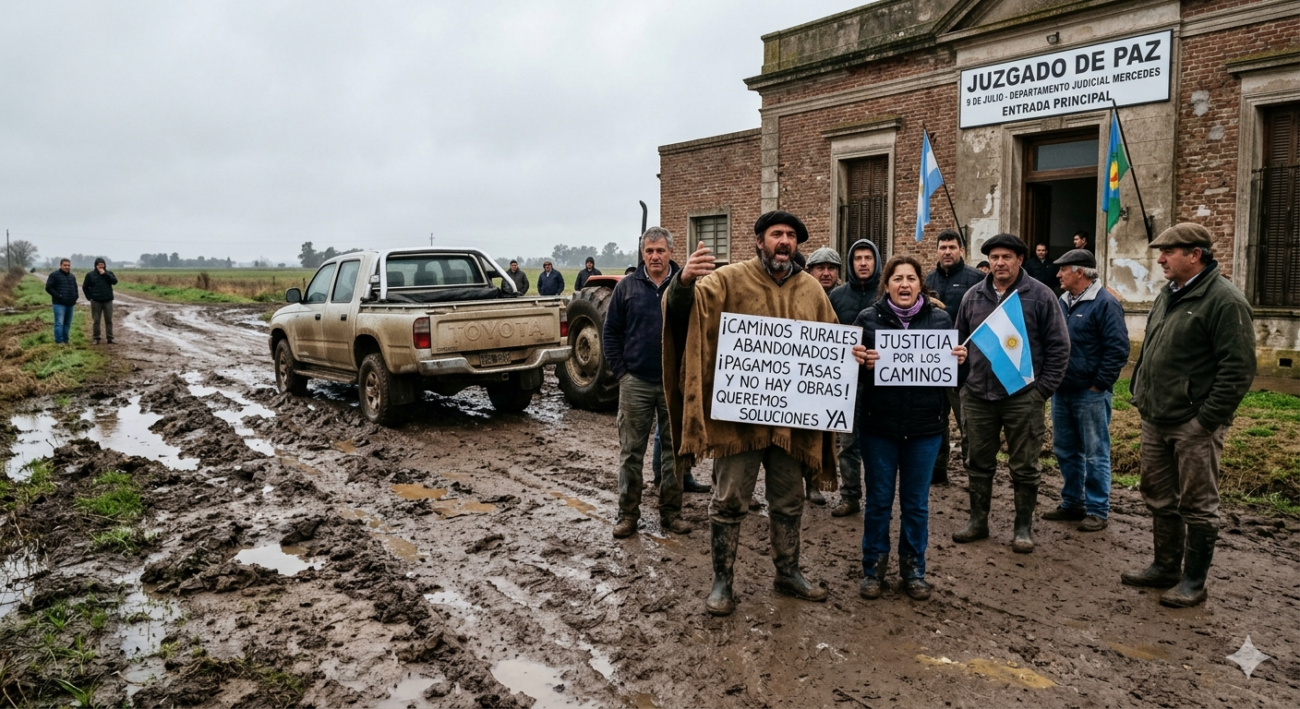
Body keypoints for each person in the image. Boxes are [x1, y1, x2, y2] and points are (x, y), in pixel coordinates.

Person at [664, 210, 837, 616]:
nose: (784, 241)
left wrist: (853, 357)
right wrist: (683, 282)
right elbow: (686, 312)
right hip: (738, 422)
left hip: (790, 424)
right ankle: (722, 581)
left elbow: (831, 342)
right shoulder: (729, 279)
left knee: (789, 500)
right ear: (759, 241)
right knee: (728, 500)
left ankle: (787, 571)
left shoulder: (812, 289)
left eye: (791, 235)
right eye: (776, 234)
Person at [1123, 223, 1255, 607]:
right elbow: (1153, 347)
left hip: (1194, 423)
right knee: (1159, 496)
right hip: (1156, 416)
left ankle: (1194, 582)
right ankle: (1165, 567)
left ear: (1195, 254)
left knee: (1198, 504)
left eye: (1168, 252)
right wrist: (1140, 391)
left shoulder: (1225, 301)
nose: (1161, 260)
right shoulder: (1170, 293)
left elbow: (1238, 370)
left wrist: (1206, 421)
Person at [853, 256, 967, 600]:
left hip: (924, 429)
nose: (904, 284)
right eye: (897, 278)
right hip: (878, 428)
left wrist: (961, 361)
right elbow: (849, 375)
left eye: (911, 278)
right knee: (878, 502)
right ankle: (873, 569)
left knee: (916, 504)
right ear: (886, 285)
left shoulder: (940, 319)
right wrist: (861, 363)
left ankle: (914, 570)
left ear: (921, 284)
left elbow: (955, 380)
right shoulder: (867, 319)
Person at [952, 233, 1070, 554]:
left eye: (1006, 257)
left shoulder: (1041, 296)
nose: (999, 263)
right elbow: (958, 343)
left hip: (1023, 397)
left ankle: (1023, 527)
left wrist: (1041, 391)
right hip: (978, 396)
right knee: (977, 462)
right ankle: (978, 520)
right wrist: (962, 383)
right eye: (994, 257)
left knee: (1025, 466)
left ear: (1020, 259)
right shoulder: (973, 297)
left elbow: (1059, 347)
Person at [604, 228, 691, 538]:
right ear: (642, 254)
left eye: (660, 250)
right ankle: (627, 515)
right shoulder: (626, 287)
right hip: (636, 382)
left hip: (673, 384)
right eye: (649, 251)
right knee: (631, 453)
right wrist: (622, 373)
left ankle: (671, 513)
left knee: (674, 453)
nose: (655, 256)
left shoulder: (685, 285)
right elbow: (611, 332)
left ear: (670, 252)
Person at [1043, 249, 1129, 532]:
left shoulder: (1105, 303)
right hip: (1062, 390)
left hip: (1090, 393)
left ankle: (1097, 509)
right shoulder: (1062, 301)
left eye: (1063, 269)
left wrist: (1099, 384)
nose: (1058, 274)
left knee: (1095, 452)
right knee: (1065, 450)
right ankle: (1072, 503)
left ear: (1079, 272)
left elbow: (1118, 349)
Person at [924, 229, 984, 486]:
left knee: (967, 424)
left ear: (961, 250)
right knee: (935, 422)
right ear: (937, 251)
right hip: (932, 366)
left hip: (964, 367)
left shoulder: (976, 279)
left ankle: (975, 476)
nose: (947, 252)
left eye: (951, 247)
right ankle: (937, 472)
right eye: (942, 247)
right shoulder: (927, 280)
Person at [828, 238, 881, 517]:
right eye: (857, 258)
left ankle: (878, 498)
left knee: (877, 444)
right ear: (850, 263)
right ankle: (850, 496)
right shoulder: (837, 296)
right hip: (846, 382)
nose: (863, 263)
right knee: (847, 444)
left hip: (880, 382)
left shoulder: (886, 294)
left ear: (876, 262)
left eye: (868, 258)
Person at [801, 245, 843, 507]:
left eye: (831, 268)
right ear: (810, 271)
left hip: (831, 377)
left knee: (822, 435)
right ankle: (794, 483)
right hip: (800, 375)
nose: (826, 273)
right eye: (820, 268)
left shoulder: (843, 296)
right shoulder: (799, 293)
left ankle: (814, 482)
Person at [82, 258, 118, 345]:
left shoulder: (109, 273)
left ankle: (110, 338)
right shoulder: (90, 275)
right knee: (96, 320)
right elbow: (85, 287)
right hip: (96, 301)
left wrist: (105, 274)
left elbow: (115, 282)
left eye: (102, 264)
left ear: (104, 265)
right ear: (96, 265)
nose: (101, 266)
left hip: (108, 300)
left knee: (109, 320)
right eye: (99, 265)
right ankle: (96, 338)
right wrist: (89, 297)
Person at [44, 258, 79, 345]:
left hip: (70, 303)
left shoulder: (72, 276)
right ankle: (59, 342)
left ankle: (66, 341)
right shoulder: (54, 275)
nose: (67, 267)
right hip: (59, 304)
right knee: (59, 323)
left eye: (68, 265)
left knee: (67, 323)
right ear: (60, 265)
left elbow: (75, 288)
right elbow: (48, 287)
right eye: (65, 265)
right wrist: (58, 296)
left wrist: (75, 297)